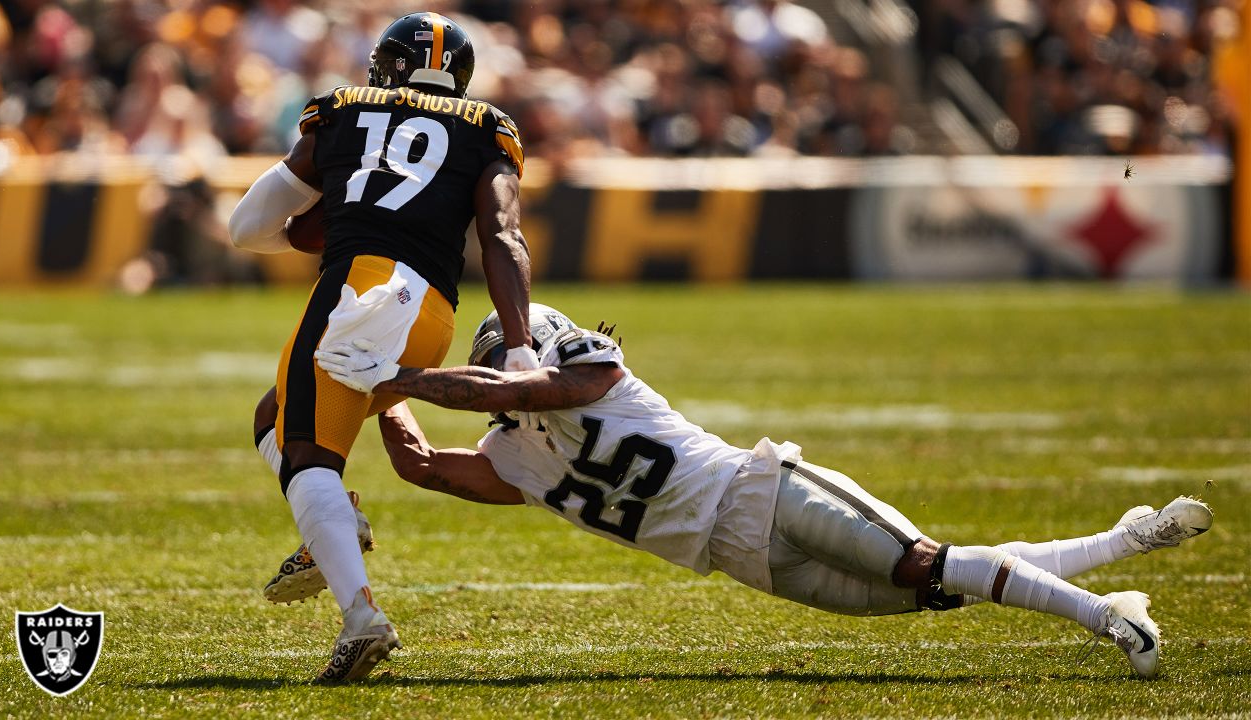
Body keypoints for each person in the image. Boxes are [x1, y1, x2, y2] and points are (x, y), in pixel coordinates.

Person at [293, 303, 1214, 679]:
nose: (503, 367)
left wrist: (404, 381)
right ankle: (1122, 547)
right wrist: (379, 399)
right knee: (932, 587)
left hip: (761, 492)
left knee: (922, 560)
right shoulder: (512, 457)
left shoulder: (586, 375)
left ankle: (1107, 620)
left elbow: (532, 392)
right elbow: (420, 466)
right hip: (734, 560)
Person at [227, 12, 537, 683]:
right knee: (273, 416)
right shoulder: (488, 128)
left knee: (307, 455)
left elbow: (246, 226)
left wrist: (311, 231)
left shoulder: (343, 110)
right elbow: (503, 237)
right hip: (430, 316)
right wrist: (520, 349)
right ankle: (338, 522)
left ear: (390, 66)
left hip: (359, 288)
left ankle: (360, 616)